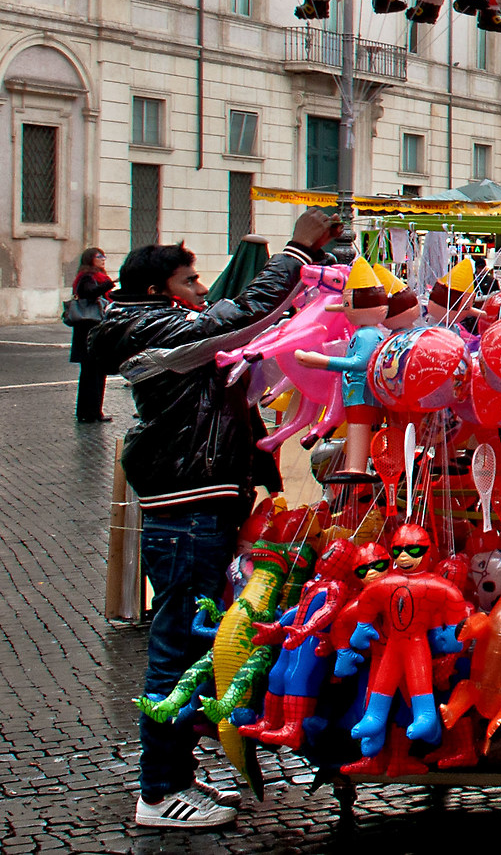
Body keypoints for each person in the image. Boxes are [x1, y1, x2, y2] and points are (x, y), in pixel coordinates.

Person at [85, 209, 341, 832]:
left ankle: (175, 770)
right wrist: (296, 251)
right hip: (186, 510)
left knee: (195, 640)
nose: (202, 291)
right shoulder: (152, 332)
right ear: (157, 292)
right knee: (174, 645)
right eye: (190, 281)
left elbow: (252, 337)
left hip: (204, 504)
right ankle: (157, 792)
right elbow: (239, 317)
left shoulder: (171, 331)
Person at [64, 246, 111, 423]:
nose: (103, 258)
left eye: (104, 255)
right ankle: (88, 412)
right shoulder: (87, 277)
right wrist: (109, 284)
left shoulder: (95, 276)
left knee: (96, 373)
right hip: (88, 331)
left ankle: (94, 411)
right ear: (90, 258)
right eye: (99, 256)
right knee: (91, 373)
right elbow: (89, 293)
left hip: (94, 330)